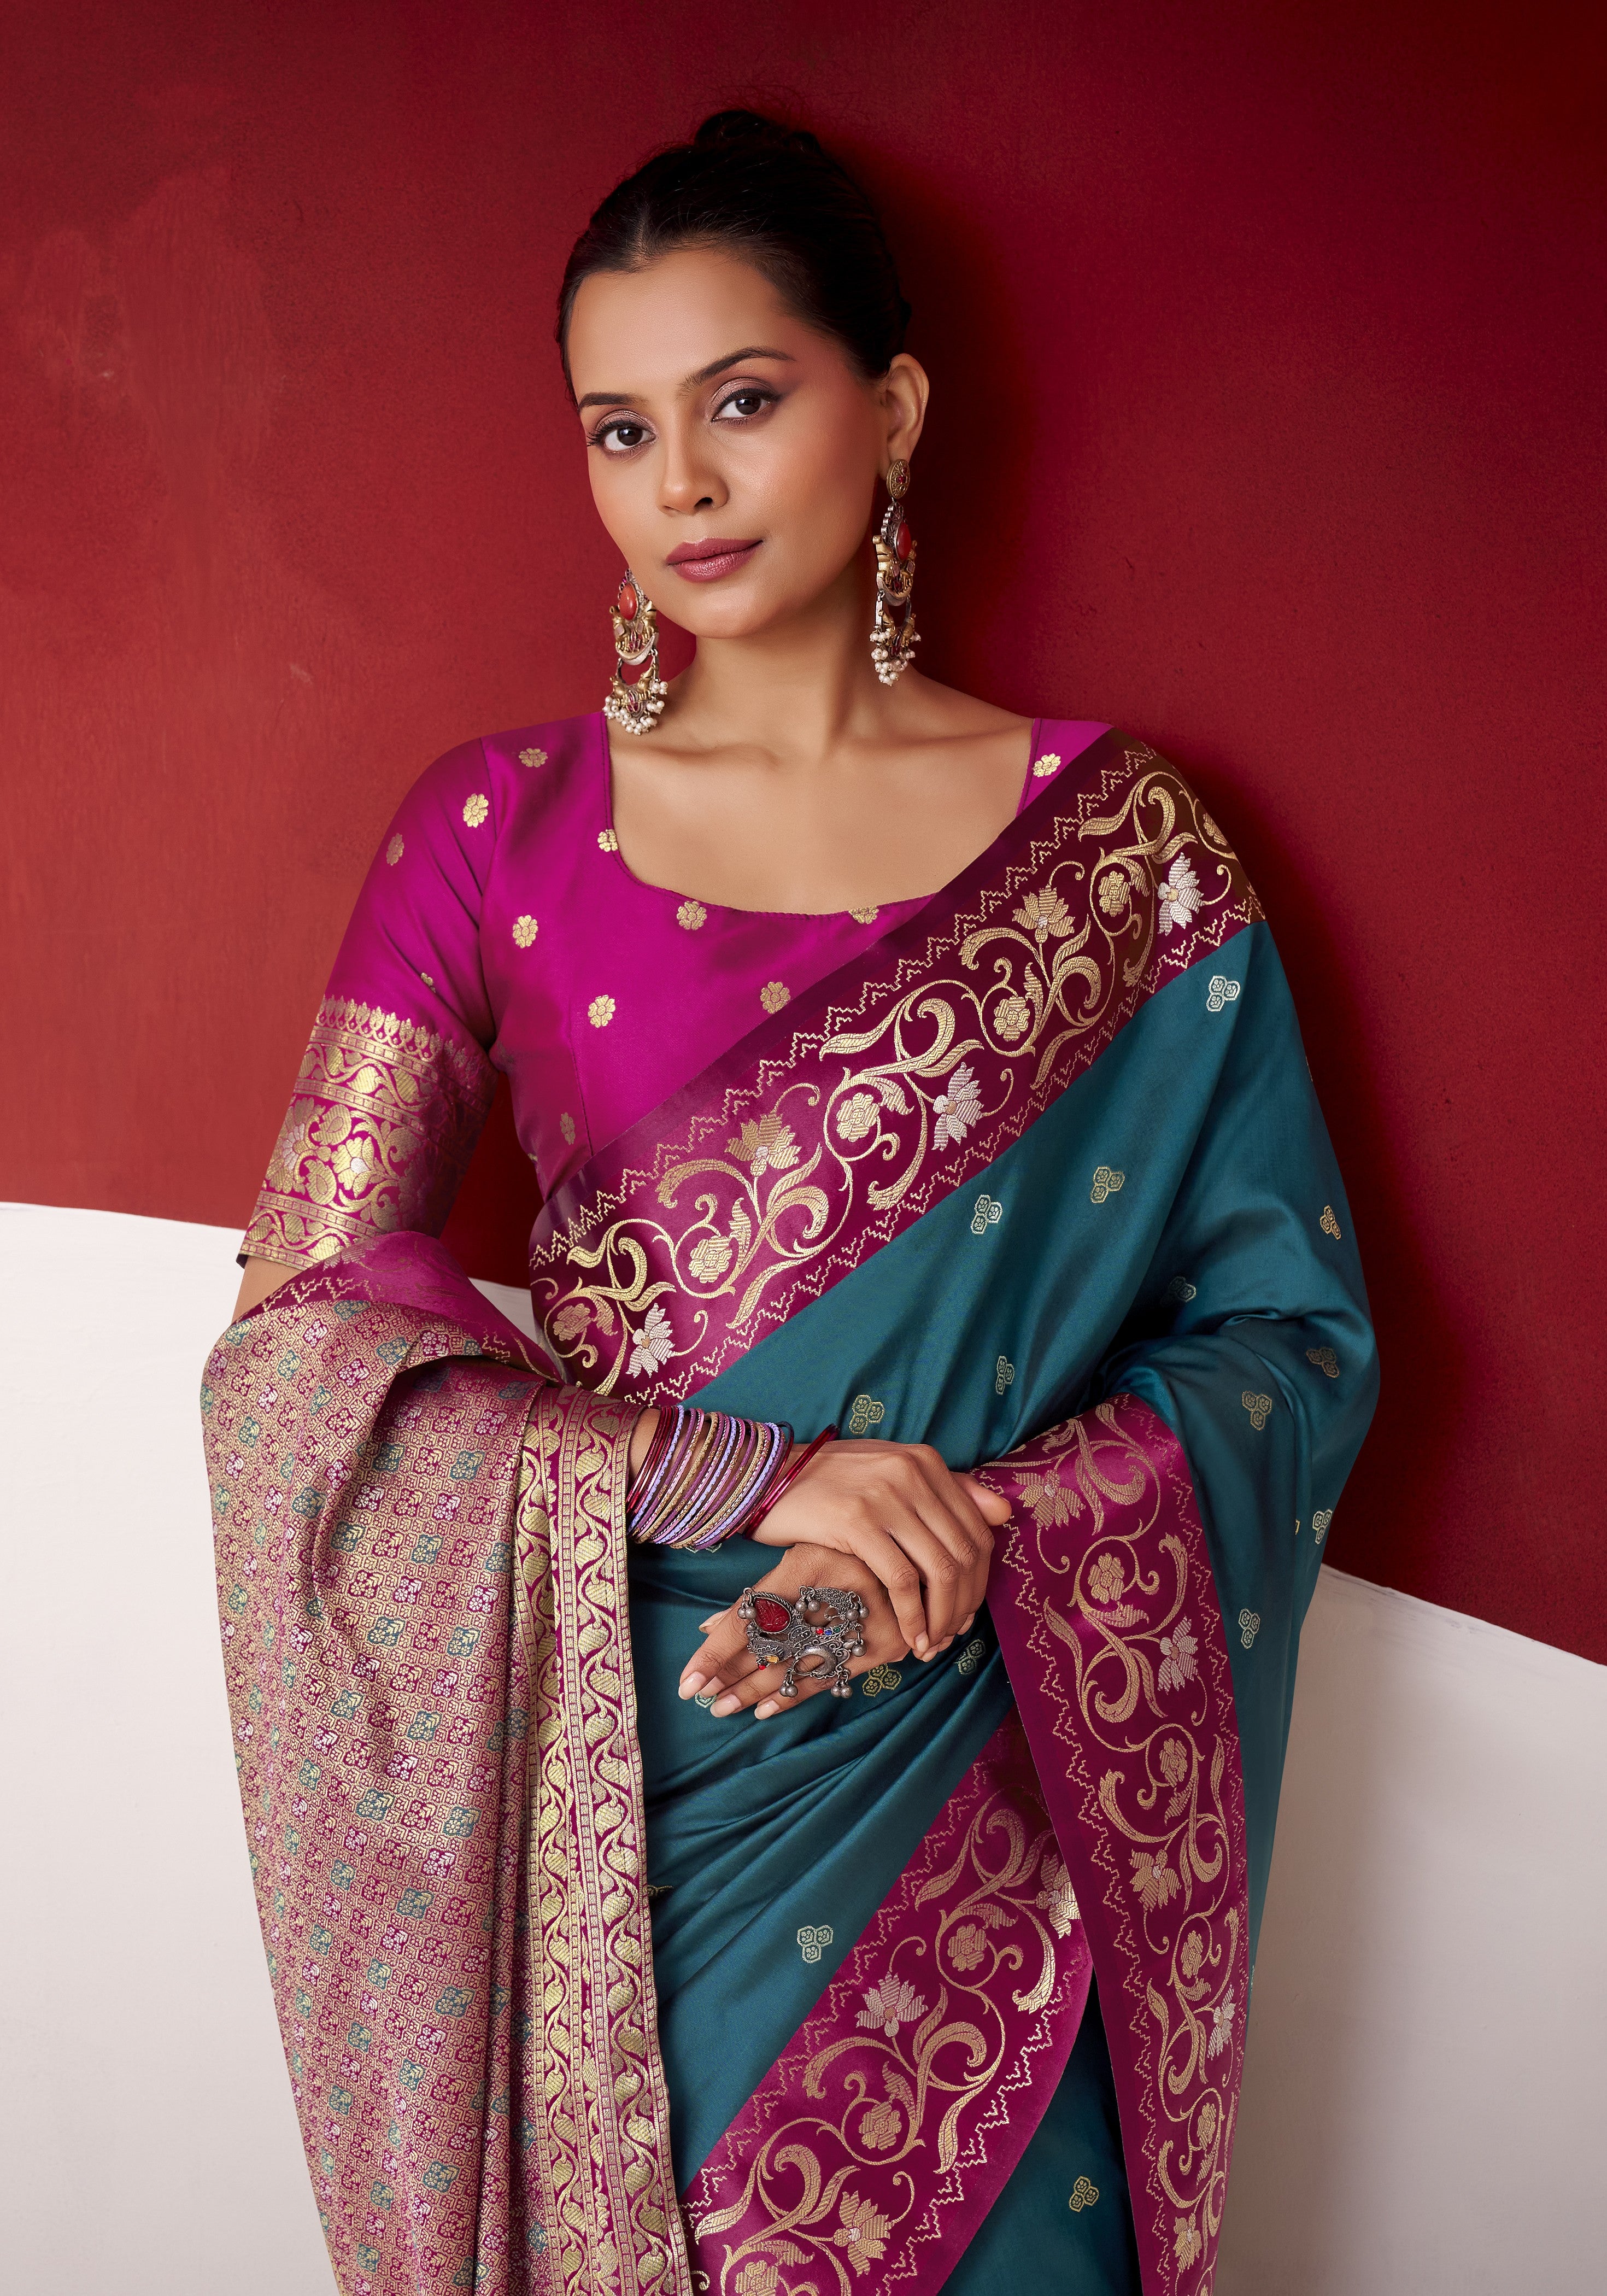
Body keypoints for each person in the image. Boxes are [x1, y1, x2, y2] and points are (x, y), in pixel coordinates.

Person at [208, 111, 1376, 2296]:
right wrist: (747, 1477)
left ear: (894, 410)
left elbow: (1288, 1346)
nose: (683, 483)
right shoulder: (490, 834)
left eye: (743, 400)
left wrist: (959, 1550)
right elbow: (299, 1345)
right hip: (621, 1805)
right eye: (620, 428)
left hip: (987, 1798)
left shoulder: (1126, 857)